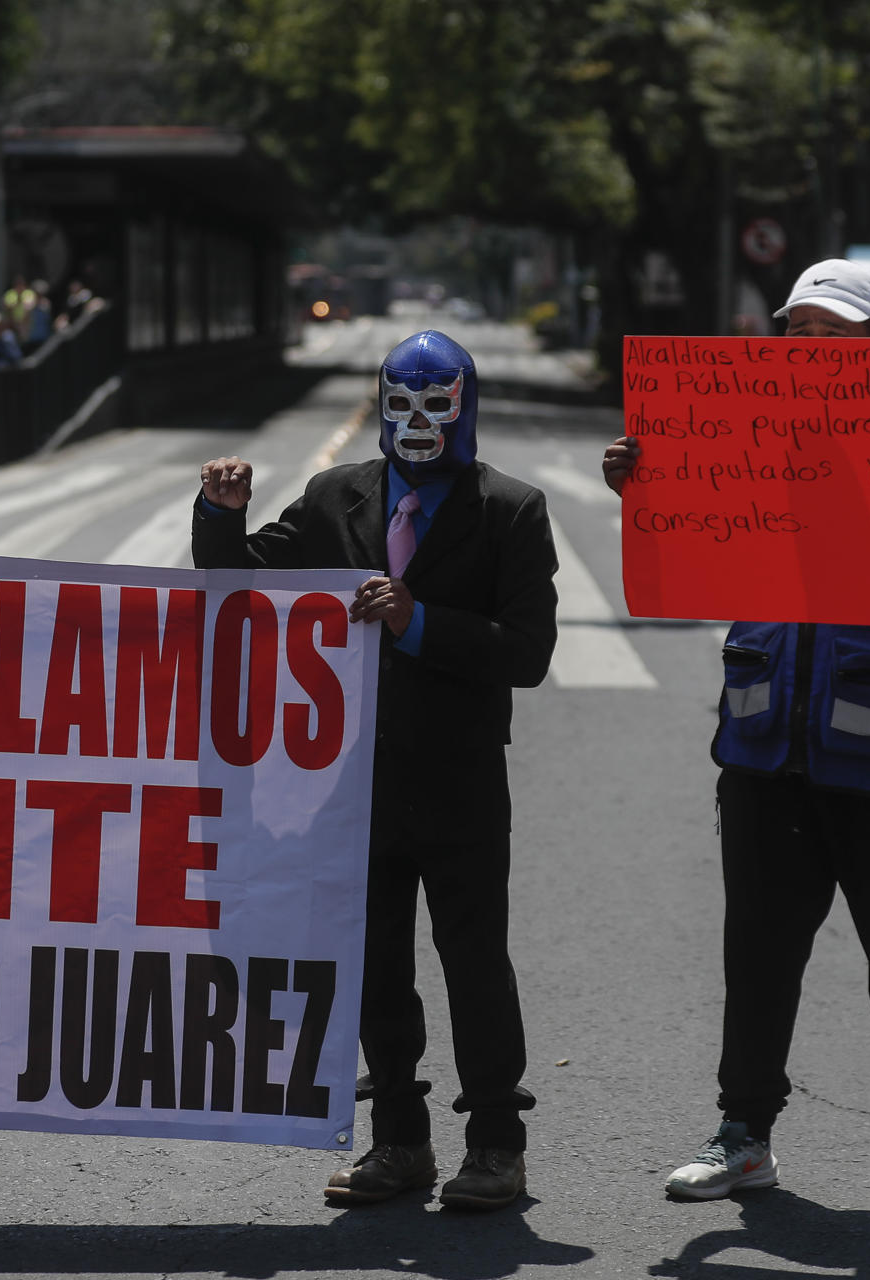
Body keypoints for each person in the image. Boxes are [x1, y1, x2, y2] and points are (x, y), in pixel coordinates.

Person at [602, 258, 870, 1216]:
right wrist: (644, 488)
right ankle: (744, 1136)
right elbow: (674, 563)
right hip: (764, 752)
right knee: (757, 958)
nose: (812, 348)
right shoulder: (736, 436)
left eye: (834, 333)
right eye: (799, 331)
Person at [193, 329, 558, 1211]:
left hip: (461, 780)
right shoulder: (336, 496)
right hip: (351, 783)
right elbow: (240, 582)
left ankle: (496, 1146)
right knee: (374, 963)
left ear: (465, 407)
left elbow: (528, 651)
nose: (417, 422)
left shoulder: (510, 509)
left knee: (475, 962)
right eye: (401, 403)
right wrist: (221, 512)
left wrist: (417, 622)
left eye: (437, 404)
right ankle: (400, 1140)